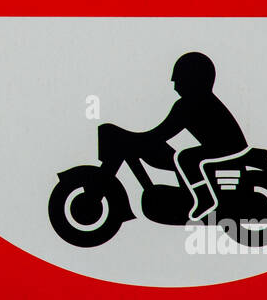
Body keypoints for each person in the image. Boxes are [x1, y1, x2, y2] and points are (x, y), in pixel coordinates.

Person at [97, 52, 247, 221]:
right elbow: (160, 134)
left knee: (185, 158)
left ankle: (204, 199)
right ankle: (188, 195)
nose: (175, 86)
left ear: (194, 80)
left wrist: (130, 139)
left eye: (179, 80)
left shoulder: (191, 104)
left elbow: (161, 133)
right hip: (220, 149)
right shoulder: (197, 101)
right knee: (180, 158)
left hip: (227, 151)